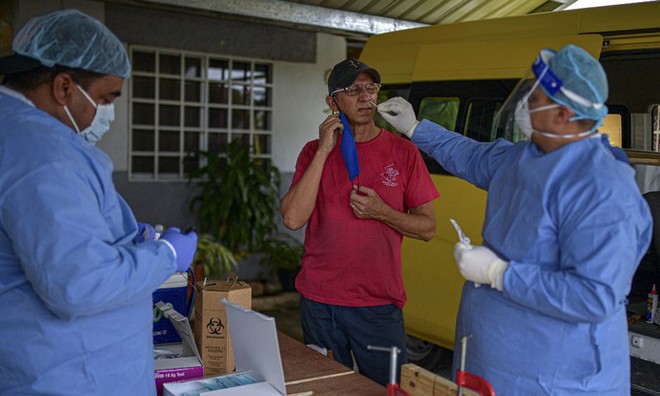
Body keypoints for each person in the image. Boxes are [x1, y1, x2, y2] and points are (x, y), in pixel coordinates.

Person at [377, 44, 652, 395]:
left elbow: (593, 296)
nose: (526, 103)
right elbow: (471, 155)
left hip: (557, 377)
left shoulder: (602, 189)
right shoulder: (524, 157)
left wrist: (500, 274)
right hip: (491, 365)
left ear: (563, 114)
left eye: (535, 97)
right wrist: (416, 128)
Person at [0, 9, 198, 395]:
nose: (107, 112)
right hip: (72, 374)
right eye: (106, 98)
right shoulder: (44, 153)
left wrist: (120, 238)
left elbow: (55, 239)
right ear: (63, 88)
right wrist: (166, 257)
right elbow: (78, 284)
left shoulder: (14, 133)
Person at [280, 58, 439, 386]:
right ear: (332, 102)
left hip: (377, 304)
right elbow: (293, 218)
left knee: (385, 390)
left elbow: (428, 228)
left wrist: (383, 211)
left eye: (371, 88)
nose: (365, 97)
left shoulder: (404, 153)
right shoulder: (313, 152)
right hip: (320, 303)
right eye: (353, 90)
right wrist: (325, 151)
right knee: (326, 389)